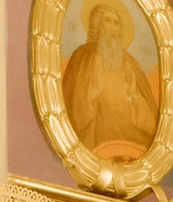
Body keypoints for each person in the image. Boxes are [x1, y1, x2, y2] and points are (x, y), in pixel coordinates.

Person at [62, 0, 160, 159]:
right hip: (93, 139)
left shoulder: (132, 64)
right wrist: (92, 94)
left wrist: (134, 95)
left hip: (132, 143)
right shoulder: (82, 56)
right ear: (97, 25)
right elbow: (69, 111)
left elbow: (152, 125)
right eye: (107, 20)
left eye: (117, 23)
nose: (113, 27)